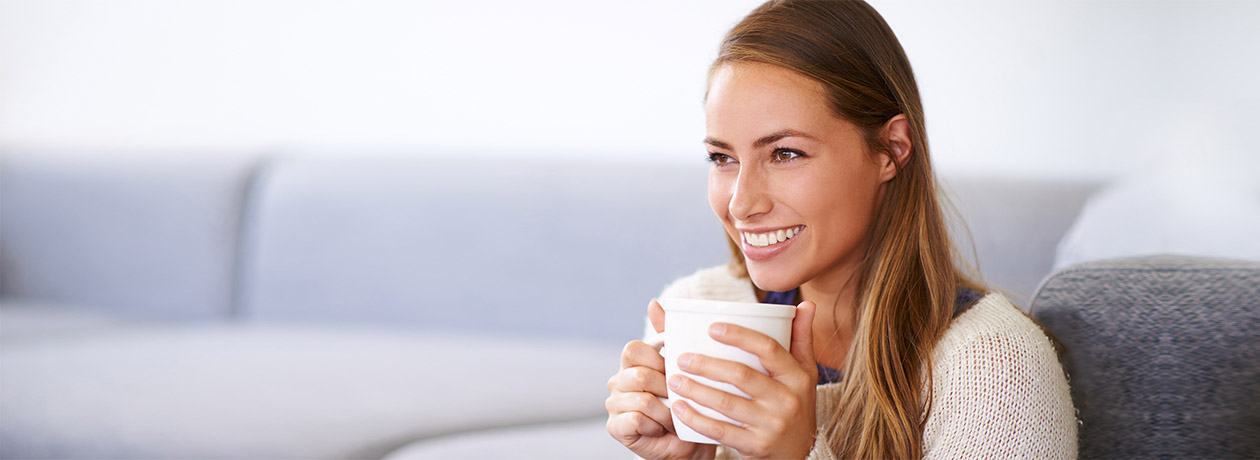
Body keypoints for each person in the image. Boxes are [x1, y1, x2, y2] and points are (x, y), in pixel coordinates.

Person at [605, 1, 1078, 459]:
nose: (741, 203)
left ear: (891, 149)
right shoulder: (699, 310)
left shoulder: (995, 367)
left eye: (785, 153)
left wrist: (798, 453)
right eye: (722, 158)